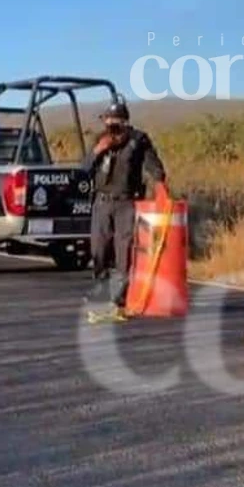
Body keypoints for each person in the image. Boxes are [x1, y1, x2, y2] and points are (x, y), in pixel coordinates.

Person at [82, 100, 169, 321]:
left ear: (125, 121)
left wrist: (160, 185)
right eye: (108, 121)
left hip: (126, 203)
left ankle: (117, 303)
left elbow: (153, 165)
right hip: (102, 202)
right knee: (99, 251)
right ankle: (100, 299)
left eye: (116, 121)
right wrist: (98, 151)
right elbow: (84, 169)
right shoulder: (99, 140)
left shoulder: (138, 140)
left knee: (124, 253)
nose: (111, 125)